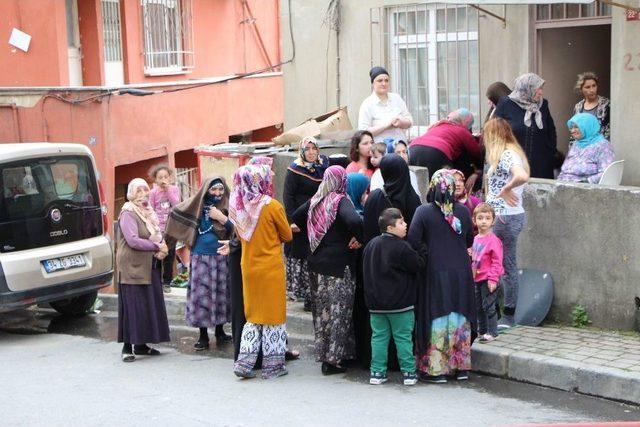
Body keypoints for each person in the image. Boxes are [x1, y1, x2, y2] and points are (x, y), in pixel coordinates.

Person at [292, 166, 364, 375]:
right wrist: (359, 238)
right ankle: (333, 360)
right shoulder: (339, 200)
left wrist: (314, 232)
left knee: (322, 312)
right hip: (338, 265)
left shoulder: (317, 199)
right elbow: (354, 220)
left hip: (315, 263)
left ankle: (326, 354)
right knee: (339, 312)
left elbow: (296, 215)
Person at [407, 169, 475, 383]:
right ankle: (461, 367)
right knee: (459, 315)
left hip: (435, 272)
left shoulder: (423, 212)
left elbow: (413, 240)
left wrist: (428, 253)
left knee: (438, 315)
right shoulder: (463, 211)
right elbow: (469, 240)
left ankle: (437, 370)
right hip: (462, 273)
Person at [229, 164, 293, 379]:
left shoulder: (239, 207)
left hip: (248, 269)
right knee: (273, 316)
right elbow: (287, 235)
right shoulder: (272, 206)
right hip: (270, 269)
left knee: (253, 316)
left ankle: (244, 363)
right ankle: (273, 366)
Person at [166, 176, 233, 350]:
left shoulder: (229, 205)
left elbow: (238, 230)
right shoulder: (196, 205)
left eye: (220, 189)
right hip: (200, 257)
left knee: (220, 294)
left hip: (221, 256)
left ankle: (220, 331)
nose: (217, 193)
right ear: (206, 190)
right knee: (201, 296)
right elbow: (175, 215)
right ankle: (203, 335)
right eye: (213, 189)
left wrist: (222, 218)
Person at [363, 208, 422, 386]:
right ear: (390, 227)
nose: (406, 226)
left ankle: (377, 372)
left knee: (379, 338)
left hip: (376, 305)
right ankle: (409, 373)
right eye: (401, 223)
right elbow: (418, 264)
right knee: (403, 338)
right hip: (401, 305)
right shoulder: (402, 246)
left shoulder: (371, 245)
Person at [116, 178, 171, 362]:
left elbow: (156, 234)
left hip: (149, 265)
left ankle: (141, 345)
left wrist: (162, 247)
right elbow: (132, 240)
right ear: (131, 194)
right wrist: (156, 247)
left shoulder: (148, 212)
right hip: (132, 267)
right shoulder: (128, 212)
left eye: (145, 191)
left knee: (147, 304)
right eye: (138, 192)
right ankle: (127, 347)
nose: (142, 195)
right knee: (132, 307)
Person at [483, 118, 530, 329]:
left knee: (504, 265)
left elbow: (521, 176)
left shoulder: (506, 154)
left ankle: (507, 314)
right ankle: (501, 312)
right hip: (503, 215)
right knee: (499, 265)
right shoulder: (510, 152)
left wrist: (506, 189)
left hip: (505, 216)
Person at [283, 137, 330, 309]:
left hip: (318, 217)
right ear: (302, 151)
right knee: (300, 252)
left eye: (314, 148)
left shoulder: (323, 166)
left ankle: (314, 292)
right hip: (299, 219)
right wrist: (292, 221)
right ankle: (301, 292)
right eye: (307, 149)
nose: (311, 152)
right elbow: (288, 197)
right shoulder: (294, 169)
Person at [493, 73, 557, 179]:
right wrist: (500, 155)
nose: (541, 92)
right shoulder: (506, 103)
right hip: (514, 163)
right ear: (526, 88)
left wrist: (551, 151)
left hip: (541, 165)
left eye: (541, 88)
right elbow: (495, 131)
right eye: (537, 88)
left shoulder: (543, 104)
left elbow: (551, 130)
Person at [409, 108, 482, 180]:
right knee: (443, 185)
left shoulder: (437, 125)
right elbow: (477, 152)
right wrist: (479, 170)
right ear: (466, 124)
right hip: (436, 151)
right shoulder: (462, 130)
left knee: (418, 185)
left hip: (413, 148)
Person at [363, 154, 422, 244]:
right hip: (404, 253)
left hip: (377, 252)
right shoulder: (412, 198)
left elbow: (368, 230)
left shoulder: (374, 197)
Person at [471, 203, 504, 343]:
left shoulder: (494, 241)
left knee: (489, 306)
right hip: (476, 278)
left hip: (488, 278)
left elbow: (497, 261)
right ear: (474, 220)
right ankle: (482, 330)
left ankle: (493, 332)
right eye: (480, 218)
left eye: (487, 218)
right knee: (479, 306)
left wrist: (493, 279)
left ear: (493, 221)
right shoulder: (475, 239)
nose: (483, 221)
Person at [358, 66, 413, 144]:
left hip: (400, 148)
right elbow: (363, 133)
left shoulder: (396, 98)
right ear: (373, 83)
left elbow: (409, 121)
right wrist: (386, 125)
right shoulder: (367, 104)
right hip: (380, 151)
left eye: (386, 80)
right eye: (380, 81)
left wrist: (400, 123)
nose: (384, 83)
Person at [149, 165, 181, 293]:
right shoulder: (153, 193)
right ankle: (156, 282)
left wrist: (167, 190)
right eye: (160, 177)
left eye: (165, 177)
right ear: (155, 180)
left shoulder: (174, 189)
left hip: (171, 229)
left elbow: (176, 205)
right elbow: (150, 210)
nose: (163, 179)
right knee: (157, 256)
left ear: (170, 178)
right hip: (158, 230)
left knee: (169, 256)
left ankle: (167, 282)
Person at [558, 113, 614, 184]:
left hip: (584, 189)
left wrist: (585, 182)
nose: (572, 131)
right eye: (571, 128)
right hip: (564, 185)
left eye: (576, 127)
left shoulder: (603, 145)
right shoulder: (576, 143)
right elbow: (566, 168)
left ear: (588, 126)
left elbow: (607, 173)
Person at [573, 71, 610, 140]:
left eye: (594, 86)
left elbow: (609, 131)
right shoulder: (578, 107)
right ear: (581, 89)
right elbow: (574, 130)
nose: (592, 90)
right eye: (587, 87)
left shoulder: (606, 104)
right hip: (582, 147)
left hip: (600, 147)